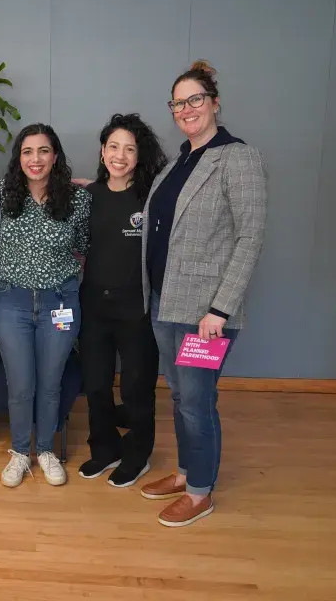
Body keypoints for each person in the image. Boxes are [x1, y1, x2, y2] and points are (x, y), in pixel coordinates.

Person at [140, 60, 267, 527]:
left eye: (196, 99)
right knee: (178, 396)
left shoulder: (238, 157)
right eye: (179, 102)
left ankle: (199, 493)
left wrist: (220, 308)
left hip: (204, 314)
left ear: (214, 103)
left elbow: (250, 237)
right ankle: (186, 471)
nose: (187, 108)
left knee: (196, 400)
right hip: (165, 302)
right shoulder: (178, 164)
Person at [0, 123, 91, 488]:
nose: (36, 159)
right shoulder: (2, 196)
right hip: (12, 302)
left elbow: (84, 247)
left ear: (55, 156)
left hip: (59, 303)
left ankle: (46, 449)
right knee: (20, 384)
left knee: (51, 382)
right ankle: (20, 452)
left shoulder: (78, 200)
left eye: (44, 151)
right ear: (19, 158)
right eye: (27, 152)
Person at [77, 114, 164, 488]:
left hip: (137, 310)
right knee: (96, 384)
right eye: (113, 146)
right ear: (102, 151)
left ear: (139, 156)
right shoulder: (88, 197)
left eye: (129, 148)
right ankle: (105, 449)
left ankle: (137, 454)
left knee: (136, 388)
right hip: (94, 307)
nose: (120, 155)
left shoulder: (151, 198)